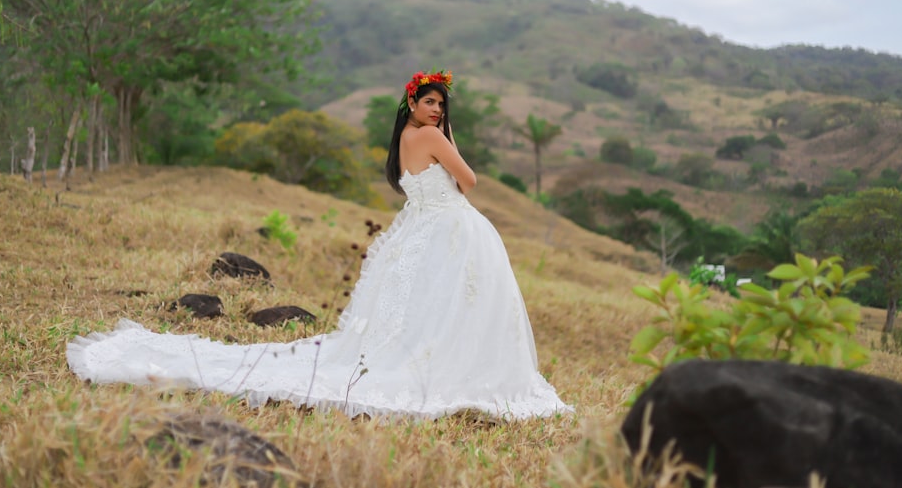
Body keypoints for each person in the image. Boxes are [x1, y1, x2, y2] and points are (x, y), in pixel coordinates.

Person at [67, 70, 571, 420]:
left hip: (423, 230)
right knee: (451, 306)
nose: (437, 110)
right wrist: (452, 140)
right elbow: (470, 181)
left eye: (442, 104)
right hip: (450, 229)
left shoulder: (402, 143)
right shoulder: (435, 139)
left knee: (429, 309)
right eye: (430, 102)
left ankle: (437, 364)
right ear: (412, 105)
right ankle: (453, 372)